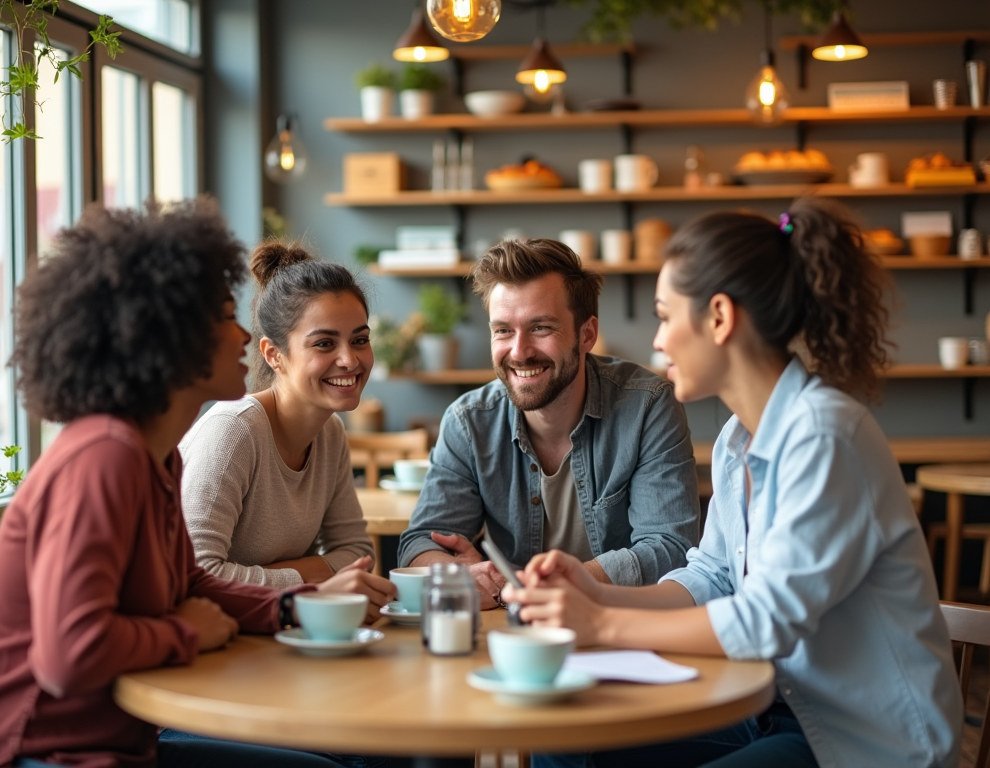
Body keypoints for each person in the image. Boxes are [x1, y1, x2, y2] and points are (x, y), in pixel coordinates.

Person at [506, 199, 962, 768]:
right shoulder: (735, 441)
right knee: (567, 741)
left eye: (667, 316)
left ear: (719, 318)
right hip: (771, 710)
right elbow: (712, 575)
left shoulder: (823, 436)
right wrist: (595, 592)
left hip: (861, 741)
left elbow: (767, 621)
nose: (658, 341)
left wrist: (600, 624)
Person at [0, 199, 354, 768]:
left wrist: (300, 606)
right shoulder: (103, 457)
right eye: (225, 316)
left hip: (121, 743)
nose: (245, 335)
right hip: (39, 754)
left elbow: (190, 583)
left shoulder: (155, 456)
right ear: (168, 337)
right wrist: (184, 634)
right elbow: (68, 656)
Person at [398, 238, 700, 608]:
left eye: (540, 328)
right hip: (512, 633)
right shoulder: (467, 422)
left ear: (586, 334)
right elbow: (419, 545)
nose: (519, 351)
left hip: (619, 625)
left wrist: (547, 583)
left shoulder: (647, 406)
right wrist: (461, 573)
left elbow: (671, 548)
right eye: (503, 330)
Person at [179, 241, 394, 623]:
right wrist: (307, 580)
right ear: (274, 355)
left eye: (360, 339)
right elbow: (195, 573)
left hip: (266, 638)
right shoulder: (234, 432)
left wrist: (302, 581)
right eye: (324, 343)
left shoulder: (330, 433)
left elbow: (356, 551)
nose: (350, 359)